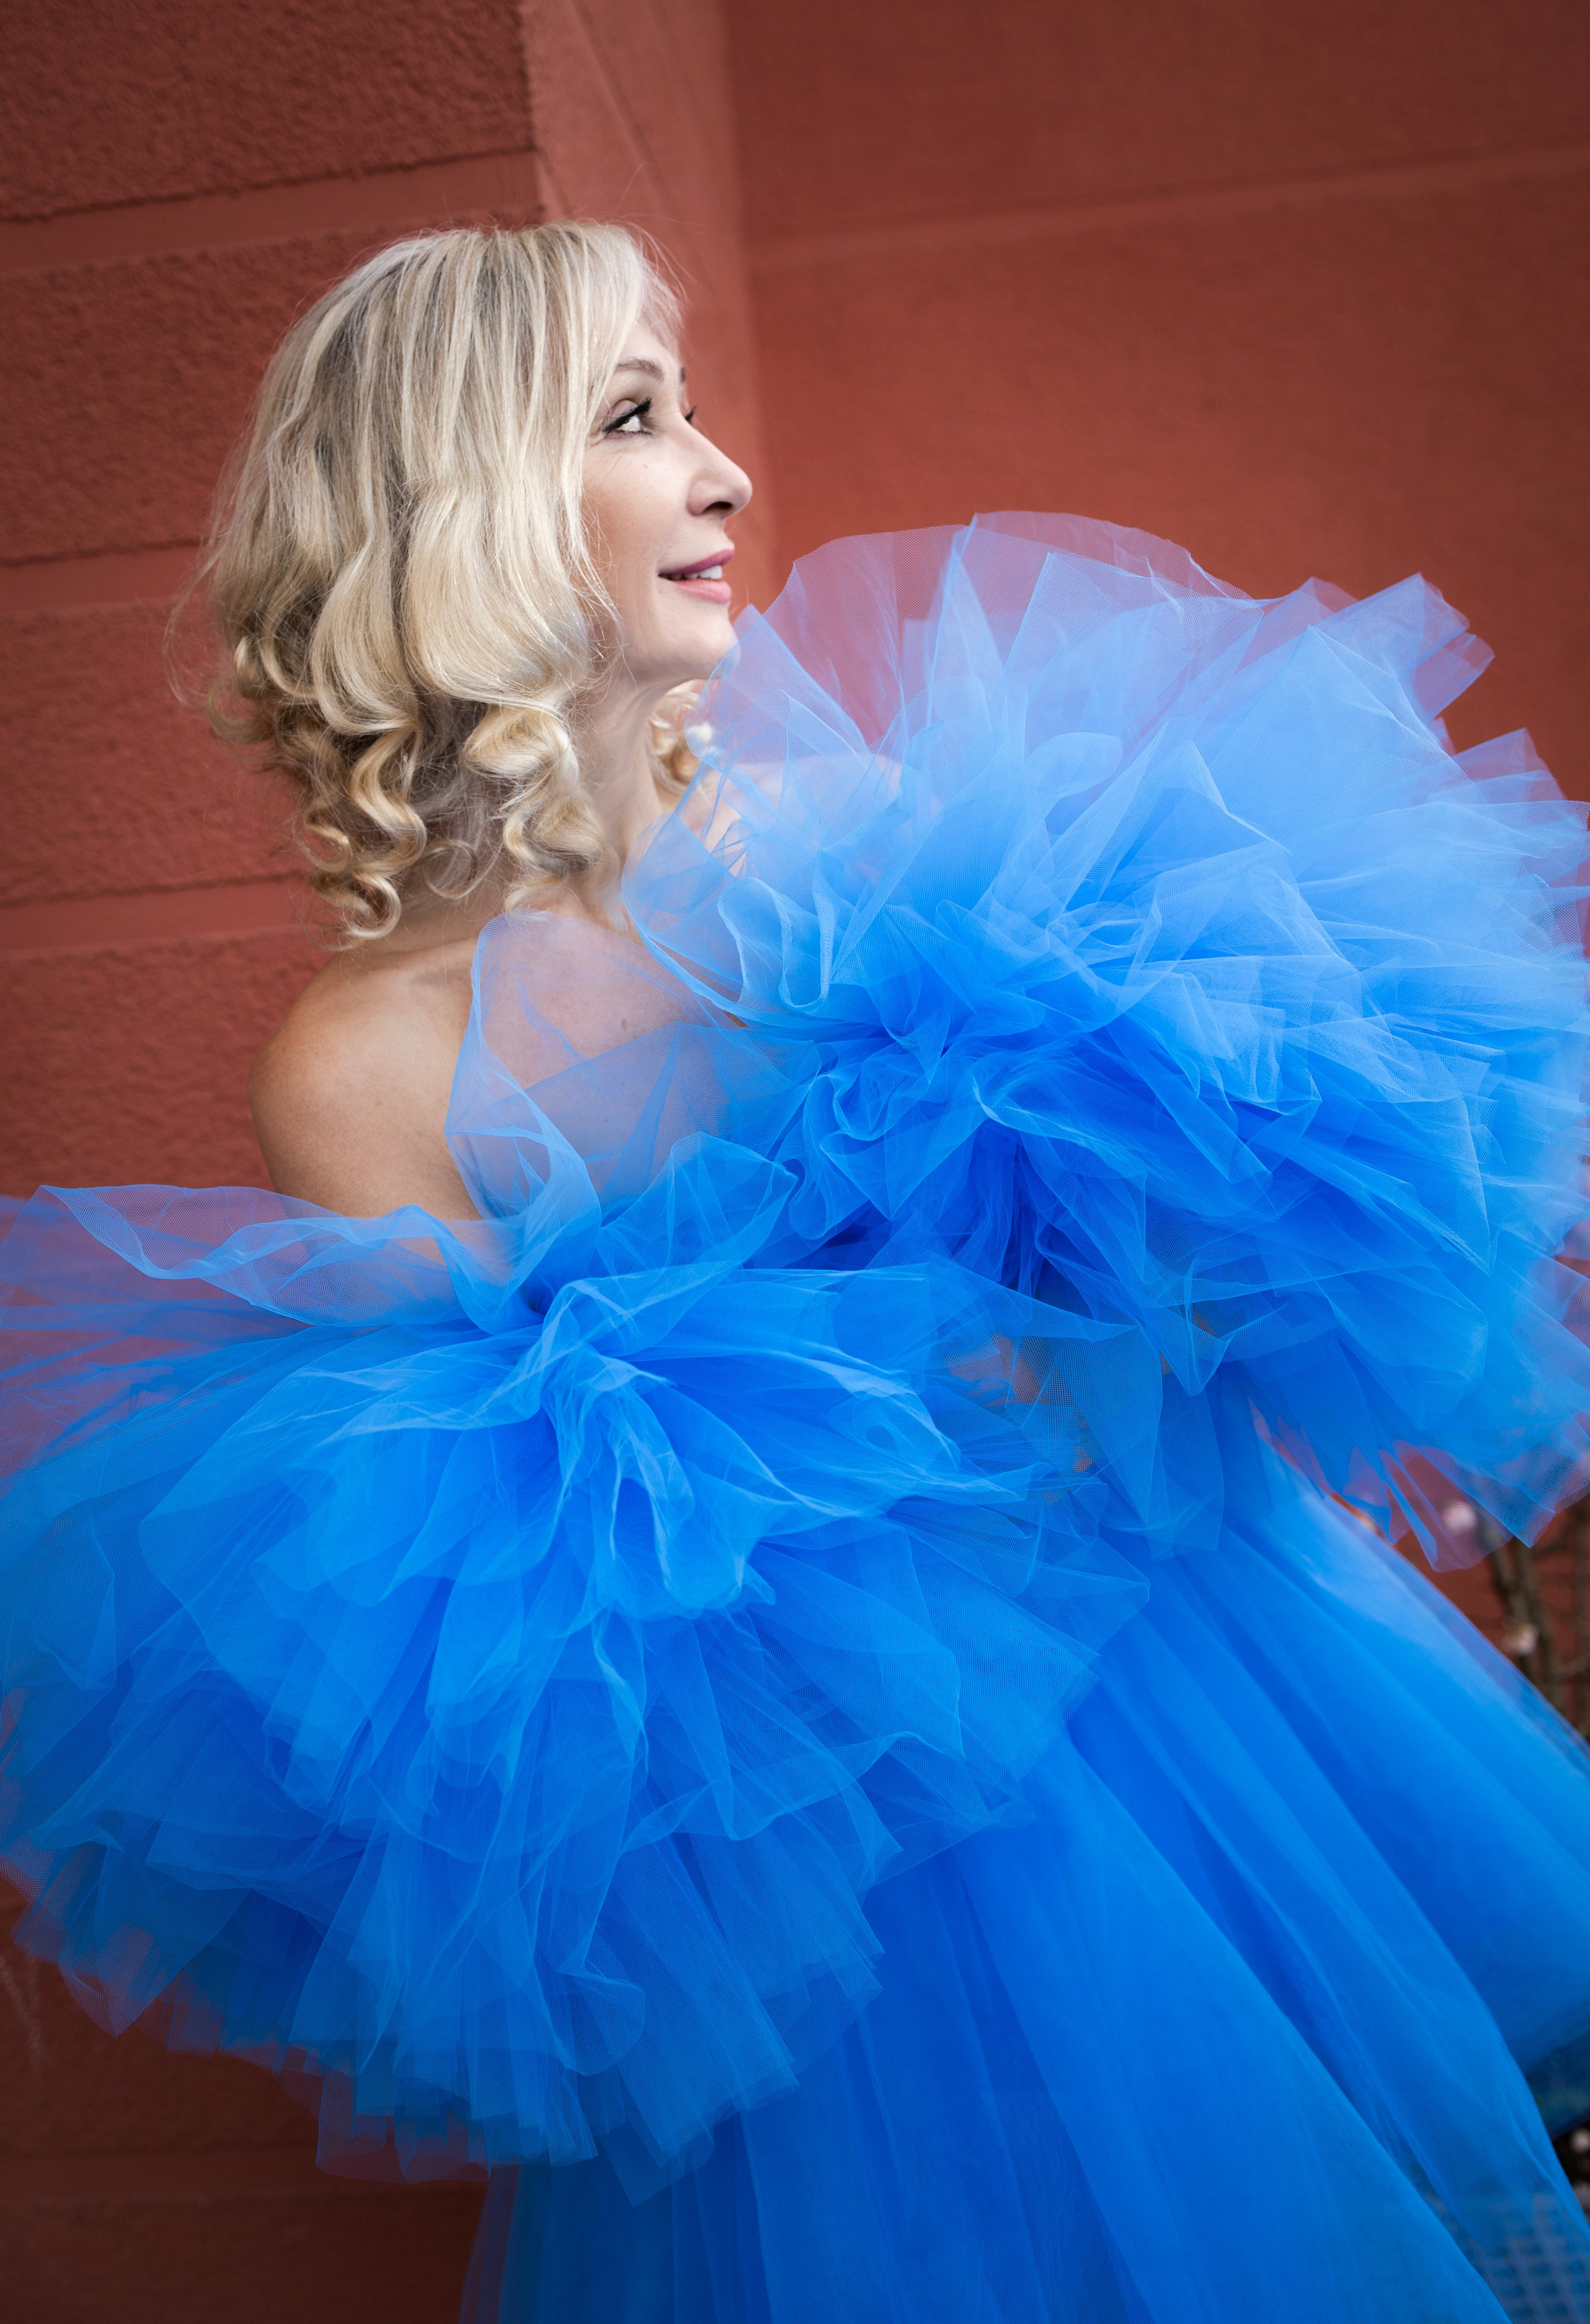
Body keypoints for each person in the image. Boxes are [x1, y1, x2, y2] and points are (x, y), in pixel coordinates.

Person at [2, 223, 1589, 2324]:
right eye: (638, 420)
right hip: (852, 1921)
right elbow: (516, 1634)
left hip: (1202, 1738)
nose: (730, 472)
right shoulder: (371, 1062)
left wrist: (1150, 1254)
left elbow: (1190, 1291)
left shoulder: (867, 864)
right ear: (465, 513)